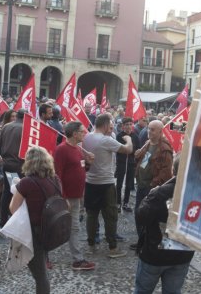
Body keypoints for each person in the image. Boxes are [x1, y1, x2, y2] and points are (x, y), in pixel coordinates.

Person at [134, 156, 194, 294]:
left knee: (142, 290)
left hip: (155, 255)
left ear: (173, 170)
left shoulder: (160, 192)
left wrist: (150, 196)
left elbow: (141, 217)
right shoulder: (199, 195)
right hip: (182, 255)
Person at [9, 147, 62, 294]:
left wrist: (18, 188)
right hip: (51, 229)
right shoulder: (55, 179)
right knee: (42, 268)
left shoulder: (26, 182)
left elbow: (13, 209)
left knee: (40, 275)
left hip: (34, 232)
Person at [83, 113, 133, 258]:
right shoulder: (105, 140)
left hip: (90, 181)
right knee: (110, 215)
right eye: (110, 126)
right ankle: (112, 247)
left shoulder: (87, 137)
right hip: (105, 183)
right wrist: (128, 139)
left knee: (91, 215)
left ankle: (91, 244)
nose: (111, 128)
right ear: (105, 125)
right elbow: (127, 149)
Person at [54, 121, 95, 271]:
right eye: (82, 131)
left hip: (77, 195)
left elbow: (81, 168)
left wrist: (88, 163)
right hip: (68, 196)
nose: (85, 133)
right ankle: (77, 259)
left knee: (71, 227)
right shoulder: (62, 149)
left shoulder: (78, 148)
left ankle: (76, 258)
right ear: (74, 133)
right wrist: (63, 197)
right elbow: (57, 175)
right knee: (71, 227)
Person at [132, 120, 173, 250]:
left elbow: (166, 173)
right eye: (149, 129)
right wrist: (138, 157)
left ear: (161, 132)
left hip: (151, 189)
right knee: (139, 213)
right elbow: (143, 162)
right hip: (141, 185)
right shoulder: (148, 143)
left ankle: (148, 242)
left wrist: (152, 184)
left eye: (152, 130)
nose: (149, 131)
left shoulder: (164, 149)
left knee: (149, 216)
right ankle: (141, 239)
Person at [0, 109, 26, 226]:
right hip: (18, 165)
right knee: (16, 192)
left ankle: (3, 220)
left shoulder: (6, 127)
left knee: (7, 192)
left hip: (7, 164)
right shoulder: (24, 128)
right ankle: (13, 221)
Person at [115, 117, 140, 212]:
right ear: (123, 126)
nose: (129, 126)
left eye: (130, 124)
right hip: (121, 162)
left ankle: (126, 202)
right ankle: (118, 203)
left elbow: (137, 149)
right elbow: (119, 149)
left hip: (131, 163)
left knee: (129, 184)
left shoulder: (135, 136)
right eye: (126, 124)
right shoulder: (119, 136)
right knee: (119, 183)